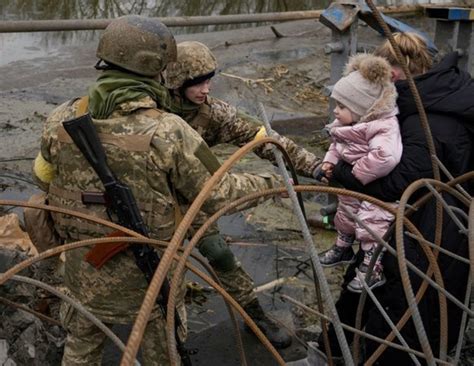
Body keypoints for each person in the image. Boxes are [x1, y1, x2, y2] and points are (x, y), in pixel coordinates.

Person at [32, 16, 285, 366]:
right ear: (156, 71)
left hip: (83, 274)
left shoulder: (62, 116)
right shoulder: (170, 130)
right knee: (162, 354)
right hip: (150, 280)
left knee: (80, 350)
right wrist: (275, 185)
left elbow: (41, 177)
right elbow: (219, 193)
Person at [323, 32, 473, 364]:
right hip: (452, 227)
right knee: (424, 311)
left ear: (391, 76)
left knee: (398, 316)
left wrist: (343, 175)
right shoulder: (450, 90)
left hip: (424, 235)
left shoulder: (424, 120)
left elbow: (401, 182)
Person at [162, 40, 324, 348]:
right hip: (149, 198)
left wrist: (314, 166)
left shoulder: (213, 114)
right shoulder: (149, 109)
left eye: (209, 81)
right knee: (152, 265)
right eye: (198, 84)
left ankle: (254, 316)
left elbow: (262, 139)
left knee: (220, 255)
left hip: (193, 196)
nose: (206, 90)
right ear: (176, 82)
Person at [316, 53, 402, 293]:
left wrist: (357, 174)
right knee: (345, 214)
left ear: (362, 109)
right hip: (354, 187)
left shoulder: (383, 127)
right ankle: (343, 247)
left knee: (371, 225)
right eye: (336, 104)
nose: (335, 111)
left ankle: (372, 268)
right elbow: (337, 145)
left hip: (376, 191)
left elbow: (386, 157)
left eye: (342, 106)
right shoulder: (346, 125)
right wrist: (329, 163)